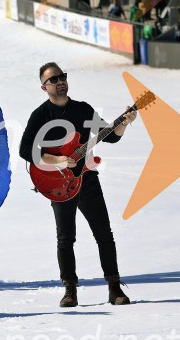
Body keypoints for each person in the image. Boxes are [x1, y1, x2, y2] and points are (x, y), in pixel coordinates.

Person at [19, 63, 136, 307]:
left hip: (87, 178)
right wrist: (59, 160)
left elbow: (111, 135)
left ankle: (114, 287)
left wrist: (124, 122)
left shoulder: (82, 110)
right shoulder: (41, 115)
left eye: (62, 76)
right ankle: (70, 289)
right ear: (44, 87)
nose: (60, 81)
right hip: (57, 183)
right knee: (65, 238)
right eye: (54, 79)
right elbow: (25, 150)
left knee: (104, 233)